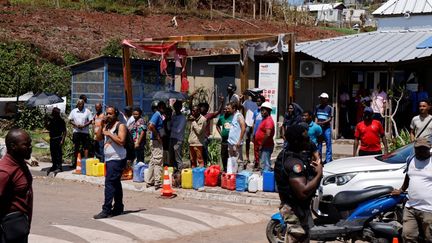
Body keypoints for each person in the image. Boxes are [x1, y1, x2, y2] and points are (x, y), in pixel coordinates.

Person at [274, 125, 323, 243]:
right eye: (305, 139)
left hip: (298, 207)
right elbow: (303, 192)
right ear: (297, 142)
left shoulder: (291, 155)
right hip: (294, 210)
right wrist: (319, 174)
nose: (309, 141)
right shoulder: (293, 163)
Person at [391, 138, 432, 242]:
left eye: (423, 149)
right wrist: (401, 190)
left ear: (429, 149)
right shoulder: (411, 159)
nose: (420, 151)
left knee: (429, 238)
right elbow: (408, 177)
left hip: (429, 209)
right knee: (407, 236)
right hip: (411, 207)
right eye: (418, 149)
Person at [0, 129, 33, 243]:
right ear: (13, 146)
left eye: (30, 144)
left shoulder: (20, 162)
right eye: (25, 145)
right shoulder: (5, 172)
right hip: (9, 232)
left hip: (20, 229)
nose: (30, 147)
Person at [94, 106, 127, 219]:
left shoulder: (120, 126)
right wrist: (101, 126)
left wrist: (109, 134)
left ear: (116, 115)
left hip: (117, 159)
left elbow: (122, 141)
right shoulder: (107, 126)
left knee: (109, 183)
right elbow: (98, 138)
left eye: (110, 114)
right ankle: (118, 207)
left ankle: (106, 209)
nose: (108, 115)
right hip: (109, 159)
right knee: (116, 183)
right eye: (107, 113)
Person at [198, 96, 224, 166]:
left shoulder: (208, 115)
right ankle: (203, 164)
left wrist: (221, 102)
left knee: (205, 151)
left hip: (205, 137)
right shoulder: (198, 116)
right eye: (200, 107)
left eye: (203, 107)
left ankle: (208, 162)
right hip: (198, 137)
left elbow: (218, 112)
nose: (201, 108)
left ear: (206, 109)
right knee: (200, 152)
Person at [146, 101, 166, 189]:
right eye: (163, 107)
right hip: (156, 141)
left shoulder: (158, 115)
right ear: (159, 107)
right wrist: (157, 136)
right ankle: (157, 182)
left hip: (154, 141)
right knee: (158, 160)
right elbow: (150, 126)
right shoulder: (157, 115)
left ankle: (150, 181)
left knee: (153, 161)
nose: (164, 109)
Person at [68, 99, 93, 168]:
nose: (81, 105)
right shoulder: (74, 111)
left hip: (85, 132)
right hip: (76, 132)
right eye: (80, 104)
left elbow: (90, 120)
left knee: (86, 147)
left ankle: (85, 165)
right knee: (76, 147)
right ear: (77, 104)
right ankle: (75, 163)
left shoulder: (87, 111)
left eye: (82, 104)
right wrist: (76, 125)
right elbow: (70, 120)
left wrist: (84, 125)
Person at [45, 107, 66, 175]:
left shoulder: (61, 121)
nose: (52, 114)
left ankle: (59, 167)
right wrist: (45, 122)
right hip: (52, 139)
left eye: (54, 113)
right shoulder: (52, 120)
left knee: (58, 154)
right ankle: (54, 166)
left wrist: (62, 140)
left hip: (58, 138)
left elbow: (65, 131)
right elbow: (49, 128)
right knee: (53, 153)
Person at [255, 102, 275, 171]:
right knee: (263, 163)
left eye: (263, 110)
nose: (262, 112)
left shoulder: (268, 121)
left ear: (268, 111)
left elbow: (268, 134)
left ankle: (266, 180)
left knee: (266, 164)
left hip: (266, 146)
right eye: (261, 110)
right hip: (264, 146)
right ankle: (264, 178)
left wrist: (261, 144)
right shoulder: (265, 119)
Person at [227, 102, 246, 173]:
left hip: (236, 143)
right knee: (232, 160)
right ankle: (232, 176)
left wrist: (239, 141)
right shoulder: (233, 116)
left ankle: (240, 177)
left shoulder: (239, 116)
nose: (228, 110)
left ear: (234, 109)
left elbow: (243, 128)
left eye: (229, 108)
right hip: (230, 143)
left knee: (239, 161)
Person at [315, 92, 333, 163]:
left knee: (328, 143)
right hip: (319, 128)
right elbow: (316, 116)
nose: (322, 100)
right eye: (321, 99)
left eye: (323, 99)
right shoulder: (317, 107)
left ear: (326, 99)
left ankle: (328, 159)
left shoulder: (329, 108)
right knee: (319, 143)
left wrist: (323, 123)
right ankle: (319, 158)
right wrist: (316, 124)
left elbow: (330, 118)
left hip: (326, 128)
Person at [241, 91, 258, 165]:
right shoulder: (247, 102)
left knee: (255, 141)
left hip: (255, 124)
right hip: (248, 123)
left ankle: (255, 158)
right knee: (247, 141)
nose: (253, 96)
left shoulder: (258, 103)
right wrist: (241, 99)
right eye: (251, 95)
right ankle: (247, 158)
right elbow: (241, 107)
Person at [169, 101, 187, 171]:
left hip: (178, 140)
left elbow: (178, 130)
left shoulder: (182, 118)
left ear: (180, 107)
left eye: (177, 107)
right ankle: (173, 173)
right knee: (171, 157)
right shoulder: (173, 116)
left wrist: (170, 128)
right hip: (172, 138)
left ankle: (180, 172)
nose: (176, 108)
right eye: (174, 107)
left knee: (178, 158)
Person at [216, 106, 233, 172]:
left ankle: (231, 169)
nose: (226, 110)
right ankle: (225, 169)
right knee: (223, 155)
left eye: (227, 109)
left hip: (231, 140)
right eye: (224, 109)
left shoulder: (233, 117)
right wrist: (221, 133)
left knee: (230, 155)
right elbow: (217, 125)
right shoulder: (221, 118)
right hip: (224, 140)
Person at [252, 95, 265, 169]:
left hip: (262, 134)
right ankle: (256, 162)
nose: (257, 102)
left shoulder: (264, 112)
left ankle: (261, 164)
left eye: (259, 101)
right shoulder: (255, 111)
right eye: (257, 101)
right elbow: (254, 123)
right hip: (256, 133)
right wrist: (253, 133)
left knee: (261, 149)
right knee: (255, 149)